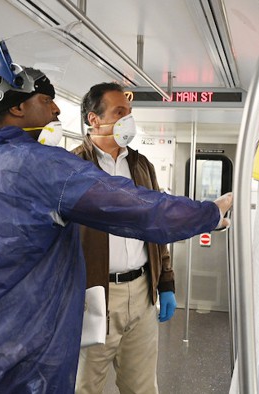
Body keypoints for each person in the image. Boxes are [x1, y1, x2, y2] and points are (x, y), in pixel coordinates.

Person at [0, 41, 233, 394]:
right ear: (17, 108)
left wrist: (163, 279)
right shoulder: (42, 165)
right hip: (23, 337)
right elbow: (138, 208)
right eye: (46, 101)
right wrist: (209, 213)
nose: (57, 110)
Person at [72, 83, 174, 393]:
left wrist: (165, 281)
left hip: (142, 292)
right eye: (119, 113)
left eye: (129, 113)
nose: (128, 120)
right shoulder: (73, 167)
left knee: (142, 386)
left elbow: (157, 227)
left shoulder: (141, 166)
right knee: (85, 385)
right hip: (94, 295)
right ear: (95, 119)